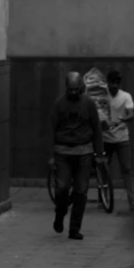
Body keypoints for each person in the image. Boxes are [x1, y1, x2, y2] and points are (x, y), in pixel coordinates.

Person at [49, 72, 105, 240]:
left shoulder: (88, 104)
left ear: (81, 88)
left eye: (76, 89)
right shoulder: (59, 104)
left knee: (81, 190)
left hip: (84, 152)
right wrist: (50, 156)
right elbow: (50, 130)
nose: (73, 93)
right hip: (63, 152)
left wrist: (99, 154)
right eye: (70, 90)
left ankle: (74, 228)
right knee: (62, 188)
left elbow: (96, 129)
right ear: (66, 88)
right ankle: (60, 213)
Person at [102, 70, 134, 213]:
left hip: (122, 138)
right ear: (108, 82)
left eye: (117, 83)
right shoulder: (102, 96)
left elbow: (131, 113)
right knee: (103, 170)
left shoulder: (126, 96)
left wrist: (124, 119)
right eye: (112, 82)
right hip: (105, 139)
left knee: (127, 170)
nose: (114, 85)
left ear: (119, 83)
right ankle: (105, 198)